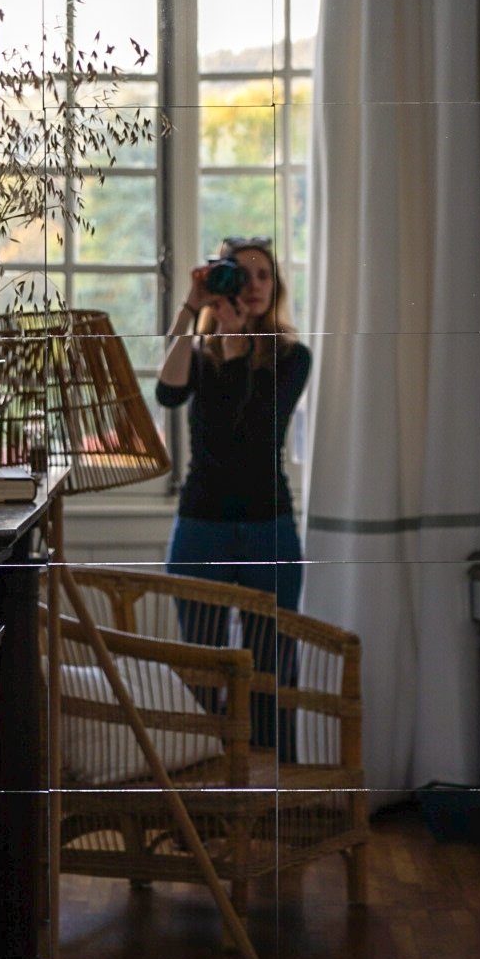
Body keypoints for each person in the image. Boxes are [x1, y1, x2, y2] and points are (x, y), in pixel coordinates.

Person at [156, 236, 311, 753]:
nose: (253, 285)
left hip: (269, 526)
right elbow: (168, 392)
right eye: (241, 275)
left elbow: (257, 425)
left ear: (276, 285)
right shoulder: (201, 354)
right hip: (202, 527)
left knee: (272, 667)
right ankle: (207, 799)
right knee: (201, 667)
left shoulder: (292, 357)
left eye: (263, 275)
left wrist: (239, 336)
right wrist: (192, 309)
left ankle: (269, 802)